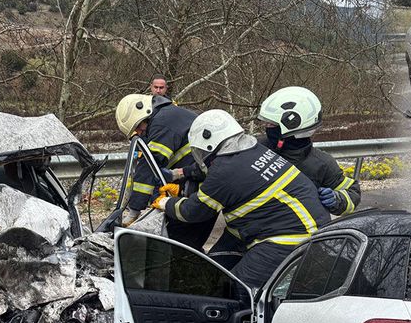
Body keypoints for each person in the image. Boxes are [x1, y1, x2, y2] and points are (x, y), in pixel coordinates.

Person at [152, 109, 329, 288]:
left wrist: (165, 202)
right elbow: (213, 172)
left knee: (236, 288)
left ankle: (252, 313)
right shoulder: (253, 149)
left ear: (208, 144)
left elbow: (192, 212)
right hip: (299, 225)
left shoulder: (224, 170)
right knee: (215, 268)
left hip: (290, 238)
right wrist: (179, 175)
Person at [114, 93, 215, 249]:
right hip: (200, 182)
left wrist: (134, 210)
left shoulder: (162, 123)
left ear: (143, 114)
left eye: (138, 128)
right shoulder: (168, 115)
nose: (139, 133)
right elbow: (153, 169)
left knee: (179, 248)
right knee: (185, 246)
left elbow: (149, 164)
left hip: (204, 190)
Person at [257, 86, 360, 217]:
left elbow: (353, 193)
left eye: (271, 124)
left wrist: (338, 199)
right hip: (246, 231)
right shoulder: (255, 147)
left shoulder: (321, 164)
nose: (266, 127)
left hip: (297, 232)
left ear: (292, 124)